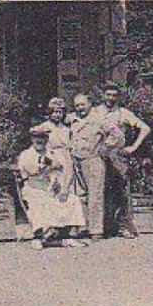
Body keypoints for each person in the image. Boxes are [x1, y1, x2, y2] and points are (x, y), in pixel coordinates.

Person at [94, 82, 151, 238]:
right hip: (98, 156)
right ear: (102, 95)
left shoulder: (123, 113)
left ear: (118, 97)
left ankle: (123, 226)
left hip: (117, 156)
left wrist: (133, 147)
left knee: (120, 191)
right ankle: (102, 227)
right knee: (100, 191)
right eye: (108, 95)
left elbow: (145, 128)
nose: (111, 98)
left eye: (114, 95)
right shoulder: (95, 112)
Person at [18, 124, 88, 249]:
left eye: (43, 137)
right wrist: (47, 168)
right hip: (34, 188)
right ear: (32, 139)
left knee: (71, 199)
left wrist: (65, 188)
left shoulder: (53, 153)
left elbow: (68, 168)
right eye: (36, 138)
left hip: (52, 188)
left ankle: (66, 235)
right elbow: (30, 172)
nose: (39, 141)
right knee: (40, 202)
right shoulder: (26, 154)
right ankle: (40, 236)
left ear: (47, 139)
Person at [67, 93, 110, 239]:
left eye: (82, 104)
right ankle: (83, 226)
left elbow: (116, 135)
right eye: (77, 105)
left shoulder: (99, 119)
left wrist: (105, 148)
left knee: (95, 195)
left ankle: (96, 230)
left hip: (93, 160)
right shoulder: (73, 119)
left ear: (90, 104)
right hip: (77, 160)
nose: (80, 108)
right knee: (80, 195)